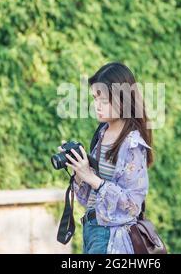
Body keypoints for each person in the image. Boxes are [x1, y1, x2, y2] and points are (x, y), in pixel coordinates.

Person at [57, 62, 154, 254]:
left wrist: (94, 179)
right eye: (95, 98)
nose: (97, 106)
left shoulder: (132, 144)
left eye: (104, 100)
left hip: (113, 239)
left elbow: (133, 206)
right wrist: (79, 171)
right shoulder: (101, 133)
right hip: (92, 230)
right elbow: (89, 200)